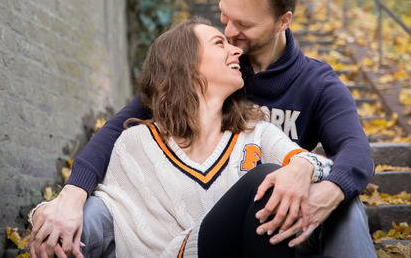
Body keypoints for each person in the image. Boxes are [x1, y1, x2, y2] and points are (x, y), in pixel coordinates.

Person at [30, 0, 376, 258]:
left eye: (243, 24)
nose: (229, 33)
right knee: (92, 212)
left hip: (279, 222)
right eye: (224, 16)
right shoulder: (209, 68)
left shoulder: (316, 84)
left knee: (343, 200)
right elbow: (116, 130)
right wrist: (72, 195)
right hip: (207, 227)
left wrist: (321, 183)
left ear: (283, 21)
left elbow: (356, 151)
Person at [31, 18, 333, 257]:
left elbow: (321, 166)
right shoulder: (136, 143)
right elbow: (105, 209)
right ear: (186, 66)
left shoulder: (258, 133)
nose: (237, 51)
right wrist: (45, 211)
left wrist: (304, 165)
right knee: (266, 178)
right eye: (220, 43)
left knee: (272, 180)